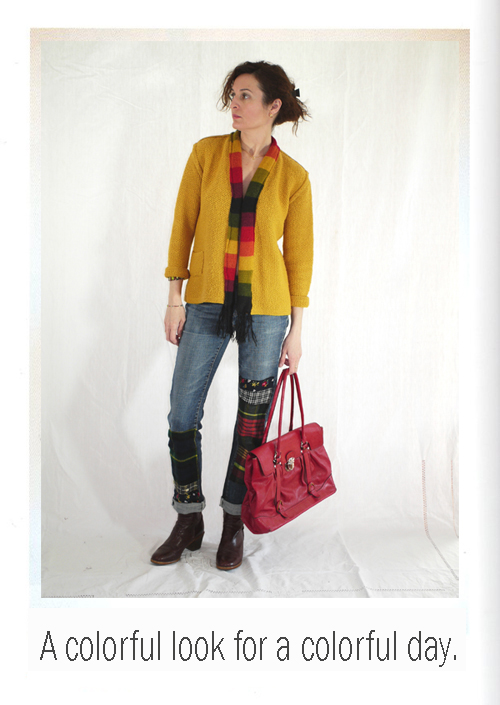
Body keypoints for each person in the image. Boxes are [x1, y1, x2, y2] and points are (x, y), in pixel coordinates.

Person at [151, 60, 314, 570]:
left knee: (251, 425)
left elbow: (299, 258)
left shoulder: (293, 177)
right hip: (204, 302)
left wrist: (296, 331)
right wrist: (175, 295)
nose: (234, 105)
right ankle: (189, 518)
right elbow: (184, 223)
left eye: (245, 95)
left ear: (273, 106)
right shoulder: (206, 154)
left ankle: (233, 522)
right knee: (182, 415)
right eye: (233, 95)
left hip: (266, 311)